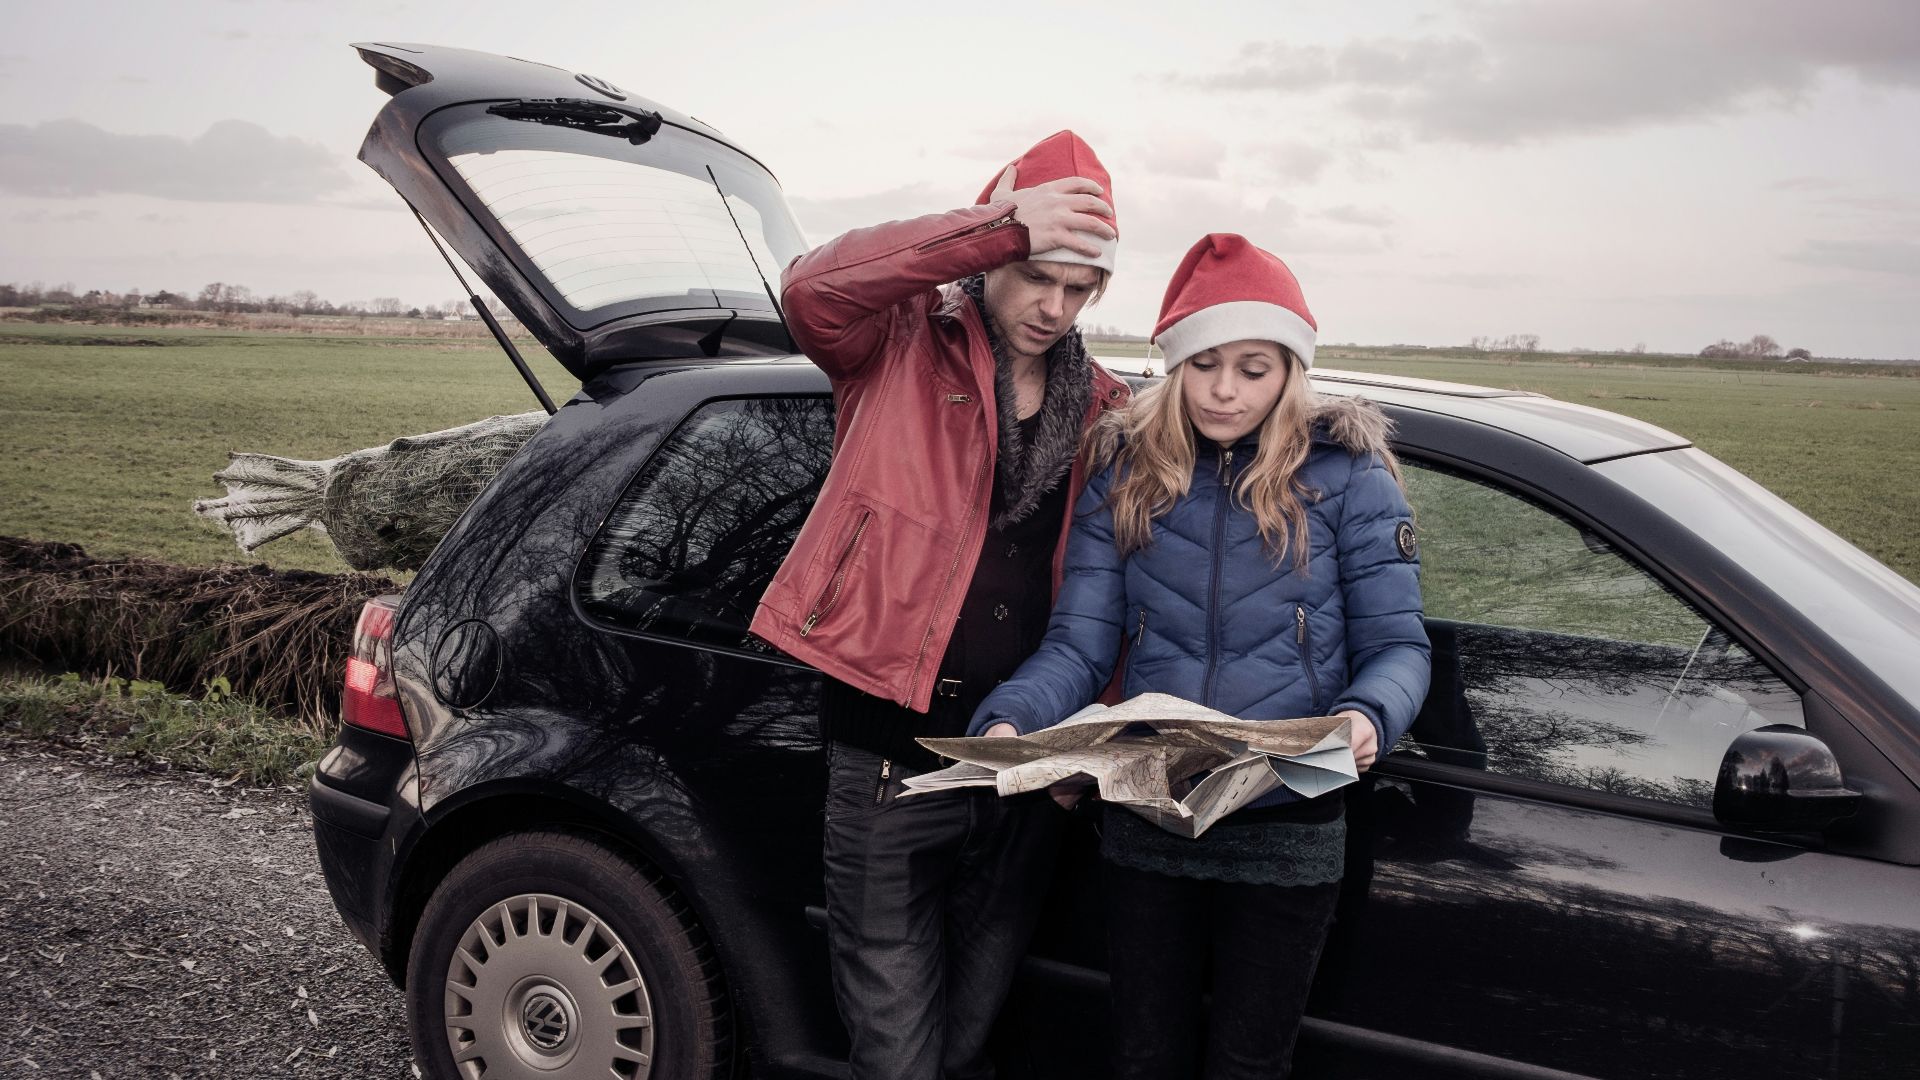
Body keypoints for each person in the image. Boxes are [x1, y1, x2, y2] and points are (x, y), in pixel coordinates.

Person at [967, 233, 1431, 1079]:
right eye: (1205, 363)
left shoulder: (1351, 478)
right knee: (1145, 1057)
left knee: (1249, 1066)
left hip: (1291, 817)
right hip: (1150, 819)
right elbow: (1079, 644)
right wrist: (1012, 721)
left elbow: (1399, 646)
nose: (1225, 390)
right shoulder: (1126, 470)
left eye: (1253, 368)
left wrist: (1368, 717)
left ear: (1291, 370)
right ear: (1174, 364)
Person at [749, 132, 1132, 1079]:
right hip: (890, 759)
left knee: (966, 1040)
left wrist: (1087, 747)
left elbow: (1109, 589)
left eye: (1080, 289)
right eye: (1037, 274)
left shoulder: (1107, 406)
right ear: (994, 254)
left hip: (1024, 771)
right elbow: (810, 291)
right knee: (898, 1054)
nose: (1055, 307)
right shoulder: (898, 345)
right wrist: (996, 223)